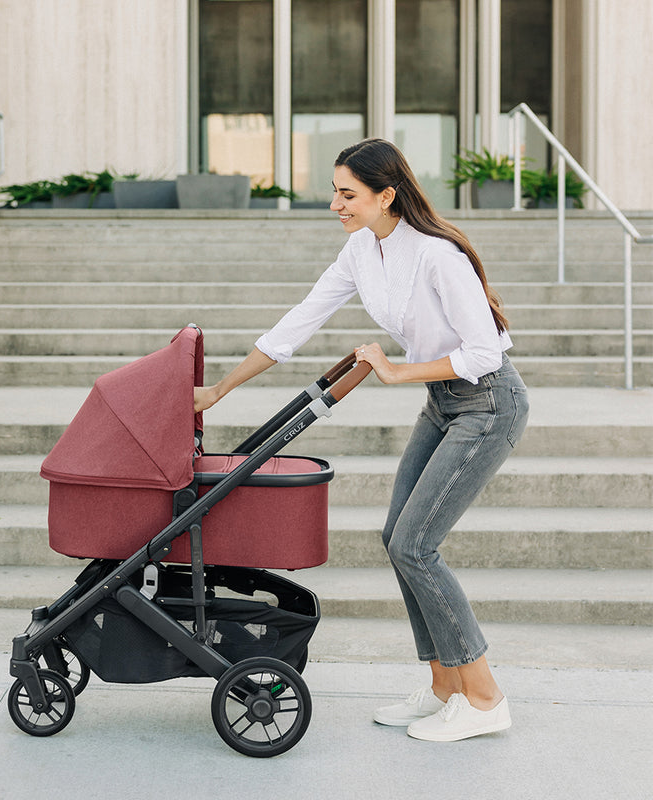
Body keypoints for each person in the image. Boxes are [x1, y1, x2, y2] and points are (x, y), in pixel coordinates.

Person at [194, 138, 529, 742]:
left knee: (415, 544)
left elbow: (482, 354)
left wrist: (397, 371)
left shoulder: (438, 256)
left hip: (488, 403)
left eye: (347, 193)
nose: (335, 204)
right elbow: (298, 321)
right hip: (445, 404)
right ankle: (443, 687)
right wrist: (218, 390)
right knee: (398, 538)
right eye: (334, 191)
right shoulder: (361, 249)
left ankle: (484, 698)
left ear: (385, 195)